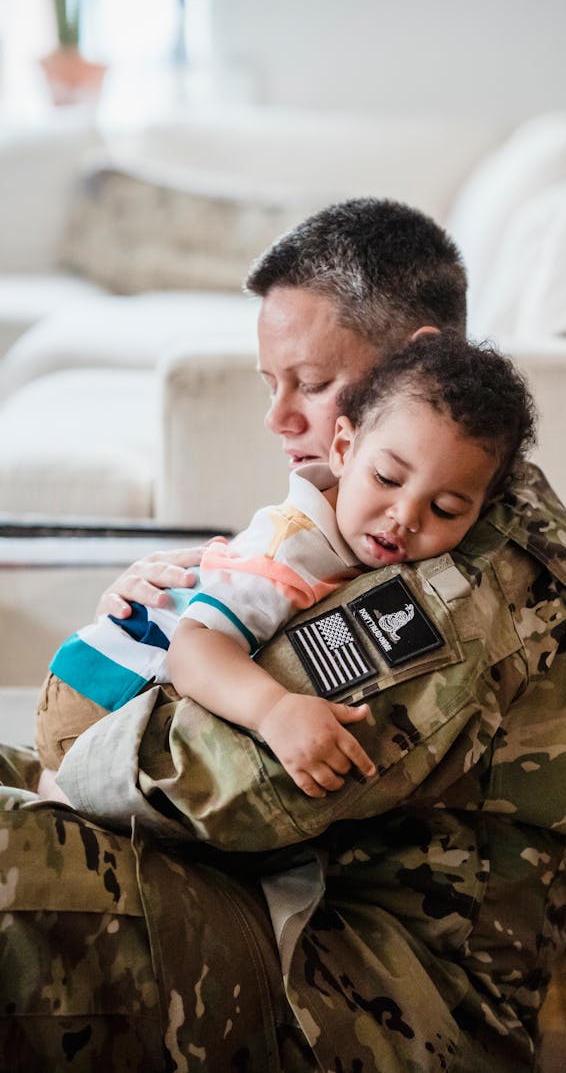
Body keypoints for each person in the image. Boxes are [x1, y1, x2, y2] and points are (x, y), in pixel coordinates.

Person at [0, 198, 566, 1072]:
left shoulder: (452, 585)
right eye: (271, 382)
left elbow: (215, 786)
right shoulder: (434, 494)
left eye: (310, 379)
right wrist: (183, 598)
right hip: (288, 895)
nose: (280, 417)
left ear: (414, 359)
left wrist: (94, 700)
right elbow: (262, 613)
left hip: (380, 997)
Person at [36, 334, 535, 800]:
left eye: (446, 509)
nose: (405, 516)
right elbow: (194, 648)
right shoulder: (290, 549)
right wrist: (273, 711)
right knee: (77, 794)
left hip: (117, 679)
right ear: (343, 449)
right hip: (106, 691)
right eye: (386, 478)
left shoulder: (370, 545)